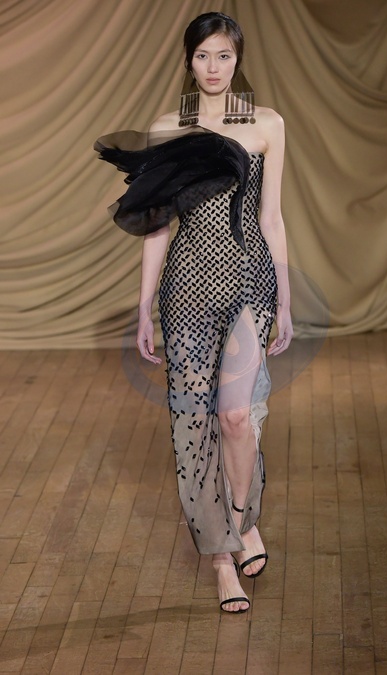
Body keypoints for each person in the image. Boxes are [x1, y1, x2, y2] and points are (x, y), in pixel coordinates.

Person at [95, 12, 293, 614]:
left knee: (234, 416)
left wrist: (286, 299)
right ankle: (220, 559)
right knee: (194, 422)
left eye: (224, 56)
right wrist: (144, 306)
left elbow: (271, 217)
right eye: (203, 55)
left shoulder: (267, 123)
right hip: (186, 288)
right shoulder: (169, 128)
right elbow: (157, 226)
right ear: (188, 60)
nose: (213, 66)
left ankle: (241, 518)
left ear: (238, 60)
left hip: (250, 282)